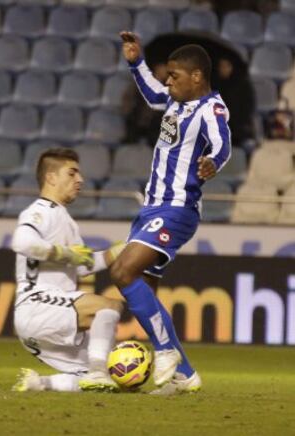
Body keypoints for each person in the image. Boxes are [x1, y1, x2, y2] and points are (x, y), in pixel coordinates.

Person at [110, 32, 231, 395]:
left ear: (197, 77)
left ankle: (165, 351)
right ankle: (185, 375)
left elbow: (223, 142)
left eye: (175, 75)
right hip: (151, 208)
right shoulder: (175, 103)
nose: (168, 80)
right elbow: (150, 93)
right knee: (142, 292)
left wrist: (213, 162)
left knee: (122, 270)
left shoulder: (211, 108)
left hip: (177, 207)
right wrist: (136, 61)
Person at [11, 148, 124, 393]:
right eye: (72, 173)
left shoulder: (65, 220)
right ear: (51, 177)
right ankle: (96, 372)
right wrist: (64, 253)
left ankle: (41, 383)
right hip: (37, 305)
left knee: (111, 375)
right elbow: (21, 242)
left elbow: (85, 267)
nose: (80, 180)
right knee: (109, 307)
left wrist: (126, 248)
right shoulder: (41, 211)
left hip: (44, 318)